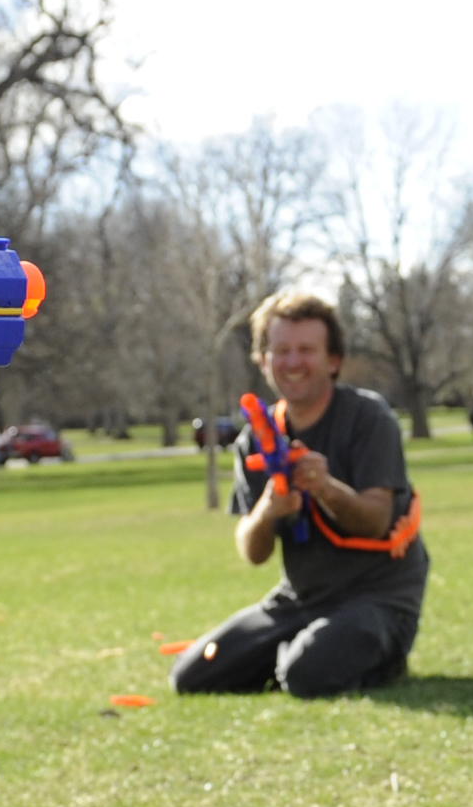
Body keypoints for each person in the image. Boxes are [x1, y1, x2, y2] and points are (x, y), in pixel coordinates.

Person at [170, 292, 427, 698]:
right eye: (281, 351)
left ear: (334, 360)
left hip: (376, 598)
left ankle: (379, 656)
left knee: (308, 675)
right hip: (301, 599)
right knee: (192, 676)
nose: (293, 363)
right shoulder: (258, 436)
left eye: (307, 350)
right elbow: (254, 552)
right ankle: (303, 652)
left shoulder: (369, 419)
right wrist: (268, 512)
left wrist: (326, 488)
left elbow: (378, 522)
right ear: (263, 360)